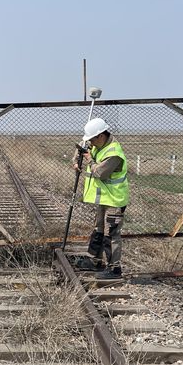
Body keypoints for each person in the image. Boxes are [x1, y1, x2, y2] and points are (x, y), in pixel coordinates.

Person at [72, 117, 130, 279]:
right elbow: (81, 148)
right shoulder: (98, 144)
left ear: (100, 136)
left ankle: (114, 269)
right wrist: (77, 159)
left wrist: (89, 160)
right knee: (98, 230)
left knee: (110, 234)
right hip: (103, 199)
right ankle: (95, 261)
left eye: (91, 139)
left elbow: (100, 173)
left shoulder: (114, 154)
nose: (90, 142)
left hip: (114, 200)